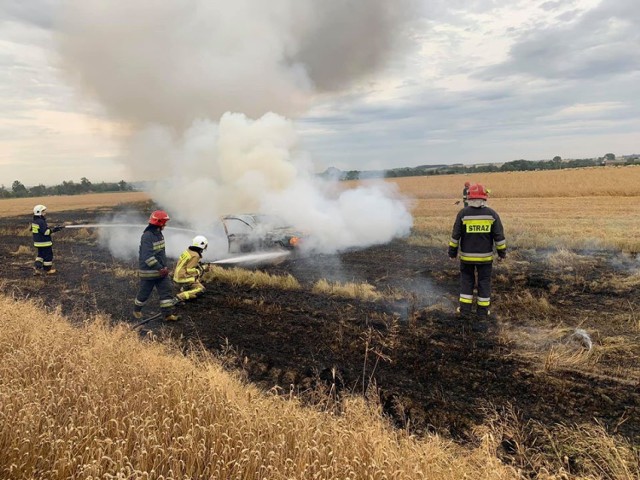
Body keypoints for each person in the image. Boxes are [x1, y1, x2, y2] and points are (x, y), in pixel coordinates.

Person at [448, 183, 506, 318]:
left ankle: (465, 311)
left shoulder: (463, 214)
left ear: (469, 198)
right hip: (485, 259)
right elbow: (499, 237)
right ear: (484, 198)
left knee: (466, 281)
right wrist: (502, 254)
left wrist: (452, 253)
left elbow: (455, 236)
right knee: (484, 282)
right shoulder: (492, 215)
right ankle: (482, 312)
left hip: (467, 258)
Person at [133, 210, 180, 321]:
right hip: (149, 272)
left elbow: (160, 253)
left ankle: (167, 315)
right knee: (144, 293)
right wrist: (159, 268)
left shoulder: (158, 234)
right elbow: (147, 257)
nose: (166, 224)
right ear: (160, 222)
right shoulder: (147, 236)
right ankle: (137, 310)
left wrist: (163, 267)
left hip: (161, 272)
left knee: (167, 292)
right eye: (164, 222)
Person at [173, 235, 209, 303]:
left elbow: (187, 264)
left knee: (196, 281)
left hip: (177, 276)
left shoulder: (188, 251)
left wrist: (199, 265)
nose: (206, 247)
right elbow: (190, 270)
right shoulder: (196, 255)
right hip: (183, 277)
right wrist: (202, 269)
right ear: (201, 245)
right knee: (201, 289)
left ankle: (185, 287)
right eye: (205, 245)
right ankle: (180, 297)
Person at [31, 204, 64, 275]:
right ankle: (47, 270)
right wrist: (55, 230)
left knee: (40, 255)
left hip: (38, 243)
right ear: (39, 212)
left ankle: (37, 268)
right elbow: (46, 232)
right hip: (44, 242)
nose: (45, 213)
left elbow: (38, 230)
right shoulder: (41, 221)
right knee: (48, 256)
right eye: (43, 212)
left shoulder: (35, 221)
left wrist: (51, 228)